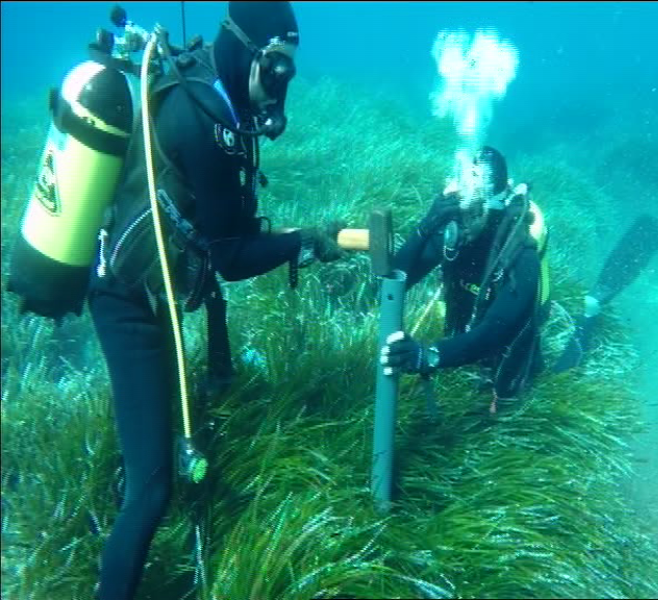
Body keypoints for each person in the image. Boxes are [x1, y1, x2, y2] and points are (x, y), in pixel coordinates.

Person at [87, 2, 343, 599]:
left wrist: (291, 240)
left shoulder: (211, 88)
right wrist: (303, 241)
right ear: (243, 50)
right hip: (129, 303)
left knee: (211, 304)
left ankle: (217, 379)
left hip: (153, 283)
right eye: (274, 68)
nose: (280, 86)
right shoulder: (205, 120)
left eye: (288, 73)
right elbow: (231, 256)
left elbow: (220, 237)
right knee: (151, 492)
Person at [381, 146, 551, 411]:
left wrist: (430, 355)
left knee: (507, 401)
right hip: (469, 322)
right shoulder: (454, 233)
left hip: (508, 331)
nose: (463, 224)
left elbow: (496, 331)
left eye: (471, 214)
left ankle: (589, 314)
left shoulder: (520, 255)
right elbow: (390, 286)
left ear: (491, 206)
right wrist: (426, 226)